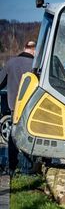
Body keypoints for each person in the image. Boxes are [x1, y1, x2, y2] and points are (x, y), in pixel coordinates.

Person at [0, 41, 36, 175]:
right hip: (32, 107)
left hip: (15, 106)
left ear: (24, 48)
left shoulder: (11, 62)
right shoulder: (36, 65)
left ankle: (12, 167)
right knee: (29, 134)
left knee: (13, 136)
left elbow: (0, 82)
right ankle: (27, 168)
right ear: (34, 50)